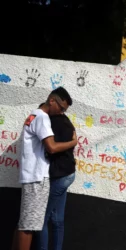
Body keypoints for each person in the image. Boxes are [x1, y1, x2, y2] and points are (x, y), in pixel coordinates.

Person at [13, 87, 77, 250]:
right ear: (52, 101)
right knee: (29, 226)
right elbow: (52, 147)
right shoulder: (42, 118)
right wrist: (73, 142)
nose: (62, 113)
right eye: (61, 108)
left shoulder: (34, 115)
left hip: (33, 176)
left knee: (26, 223)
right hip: (36, 178)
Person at [35, 100, 76, 250]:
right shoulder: (66, 121)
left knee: (42, 220)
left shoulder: (51, 122)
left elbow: (51, 148)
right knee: (57, 220)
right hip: (68, 173)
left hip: (60, 176)